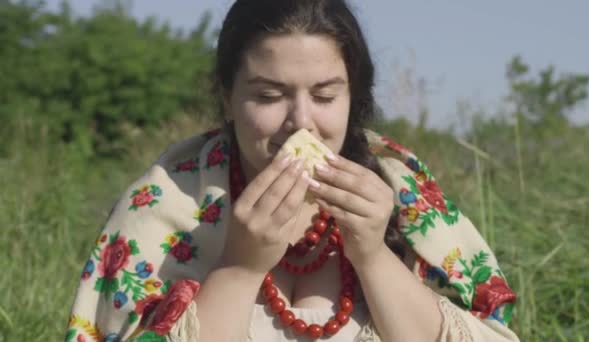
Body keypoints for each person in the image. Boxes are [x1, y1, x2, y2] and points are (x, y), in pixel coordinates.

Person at [65, 0, 520, 341]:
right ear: (228, 97)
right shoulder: (167, 200)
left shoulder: (400, 191)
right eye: (268, 96)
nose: (301, 122)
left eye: (324, 97)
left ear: (352, 98)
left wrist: (374, 256)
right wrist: (239, 269)